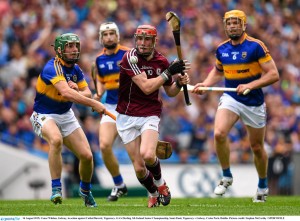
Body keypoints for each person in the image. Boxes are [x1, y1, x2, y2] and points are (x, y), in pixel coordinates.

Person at [191, 10, 279, 202]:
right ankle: (226, 176)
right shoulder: (222, 49)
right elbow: (217, 71)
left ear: (244, 25)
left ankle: (263, 185)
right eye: (229, 23)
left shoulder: (256, 46)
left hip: (254, 101)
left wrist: (250, 85)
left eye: (236, 23)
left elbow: (273, 74)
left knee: (256, 147)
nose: (232, 26)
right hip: (231, 98)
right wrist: (205, 84)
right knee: (219, 133)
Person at [116, 24, 190, 208]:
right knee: (140, 168)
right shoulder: (130, 58)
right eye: (139, 38)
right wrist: (168, 73)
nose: (142, 43)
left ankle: (161, 184)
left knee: (148, 155)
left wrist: (179, 83)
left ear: (154, 41)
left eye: (147, 39)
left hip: (150, 112)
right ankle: (153, 192)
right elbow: (147, 86)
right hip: (126, 115)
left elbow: (170, 92)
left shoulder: (162, 61)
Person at [30, 33, 106, 207]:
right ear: (59, 50)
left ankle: (85, 191)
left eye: (75, 46)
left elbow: (85, 91)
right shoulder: (53, 67)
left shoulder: (76, 69)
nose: (74, 50)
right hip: (44, 114)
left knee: (87, 156)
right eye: (69, 46)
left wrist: (79, 92)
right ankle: (56, 189)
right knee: (56, 140)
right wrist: (93, 103)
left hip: (66, 115)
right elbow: (66, 92)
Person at [93, 22, 130, 201]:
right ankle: (119, 184)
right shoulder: (99, 60)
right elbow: (100, 79)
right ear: (101, 38)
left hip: (131, 107)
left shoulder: (128, 54)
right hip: (111, 107)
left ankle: (156, 184)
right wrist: (99, 93)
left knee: (138, 155)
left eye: (112, 34)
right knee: (104, 145)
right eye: (105, 34)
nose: (109, 37)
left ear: (117, 36)